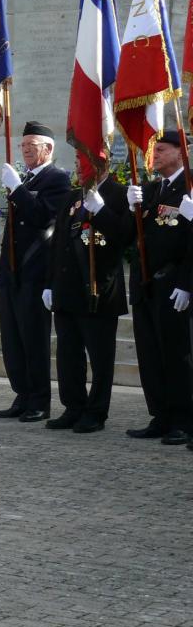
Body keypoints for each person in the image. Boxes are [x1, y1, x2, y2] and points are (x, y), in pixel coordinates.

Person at [44, 174, 133, 433]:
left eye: (84, 159)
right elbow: (58, 241)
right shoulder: (73, 196)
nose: (78, 166)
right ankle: (73, 406)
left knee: (100, 357)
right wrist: (49, 282)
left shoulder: (119, 193)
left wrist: (102, 211)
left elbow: (125, 237)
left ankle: (96, 412)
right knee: (68, 355)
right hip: (67, 287)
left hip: (99, 288)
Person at [0, 123, 71, 422]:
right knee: (12, 338)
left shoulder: (58, 180)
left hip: (36, 270)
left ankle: (39, 399)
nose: (25, 149)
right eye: (23, 144)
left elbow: (41, 217)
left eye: (32, 144)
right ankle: (22, 394)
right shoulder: (24, 178)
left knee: (33, 337)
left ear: (48, 149)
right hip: (13, 270)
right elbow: (11, 228)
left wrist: (17, 189)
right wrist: (2, 267)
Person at [124, 132, 193, 445]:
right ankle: (161, 415)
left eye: (162, 150)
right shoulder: (152, 190)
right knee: (150, 355)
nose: (155, 155)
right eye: (153, 150)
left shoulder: (189, 187)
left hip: (174, 284)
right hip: (146, 283)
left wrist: (186, 284)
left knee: (177, 355)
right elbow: (131, 240)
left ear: (182, 152)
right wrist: (130, 211)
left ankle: (183, 419)